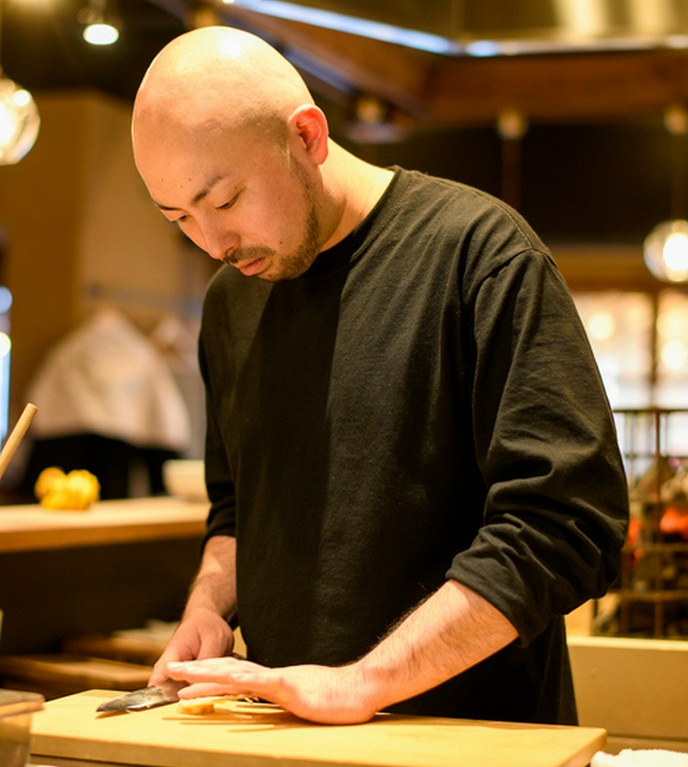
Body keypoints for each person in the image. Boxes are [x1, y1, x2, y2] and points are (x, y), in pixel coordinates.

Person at [130, 25, 629, 726]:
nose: (213, 241)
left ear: (307, 136)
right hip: (283, 733)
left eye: (224, 200)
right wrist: (209, 605)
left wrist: (363, 682)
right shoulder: (231, 300)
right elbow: (239, 508)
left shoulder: (480, 255)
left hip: (471, 739)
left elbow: (567, 526)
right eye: (178, 216)